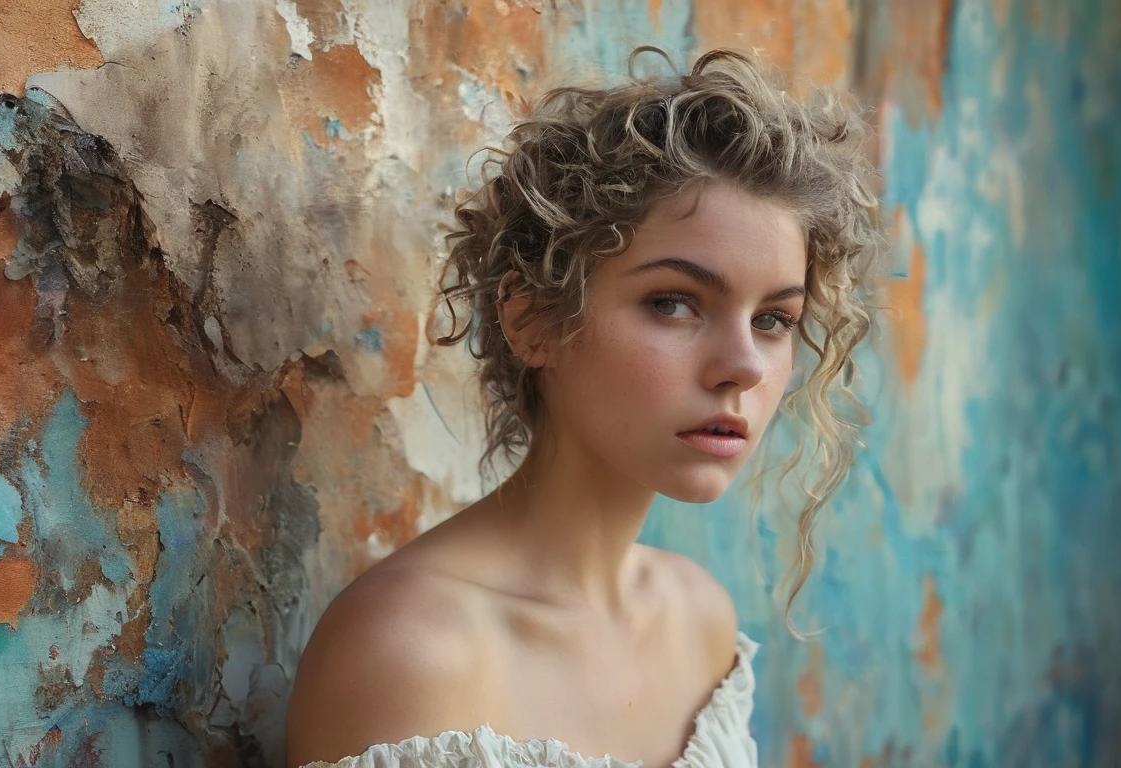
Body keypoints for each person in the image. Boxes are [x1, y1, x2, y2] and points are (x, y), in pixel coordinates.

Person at [284, 46, 880, 768]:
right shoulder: (412, 653)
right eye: (674, 303)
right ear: (533, 320)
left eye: (773, 319)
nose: (745, 367)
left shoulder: (701, 621)